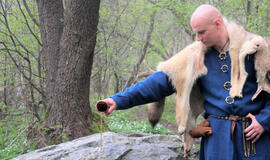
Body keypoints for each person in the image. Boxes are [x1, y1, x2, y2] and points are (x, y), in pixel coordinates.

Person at [96, 4, 270, 160]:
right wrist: (118, 100)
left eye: (202, 32)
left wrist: (264, 120)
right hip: (216, 142)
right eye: (195, 32)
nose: (198, 38)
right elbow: (160, 81)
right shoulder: (195, 56)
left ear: (218, 23)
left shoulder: (255, 48)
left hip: (254, 141)